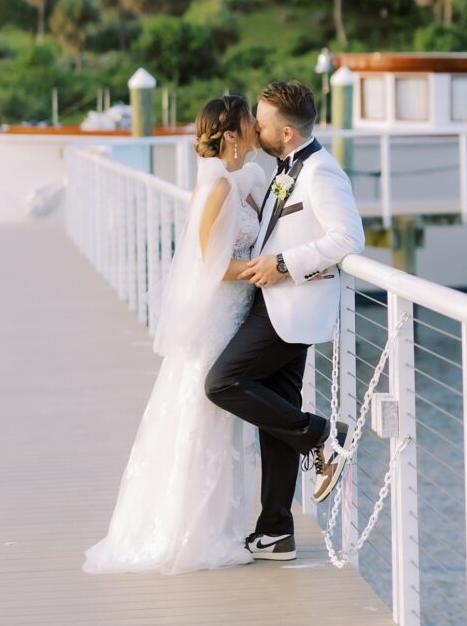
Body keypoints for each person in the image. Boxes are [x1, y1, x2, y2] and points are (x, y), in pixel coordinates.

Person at [83, 95, 265, 574]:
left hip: (235, 311)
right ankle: (192, 532)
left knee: (216, 420)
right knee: (202, 418)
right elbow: (210, 265)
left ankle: (217, 525)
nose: (256, 125)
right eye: (249, 120)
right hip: (219, 315)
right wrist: (264, 270)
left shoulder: (237, 179)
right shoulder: (218, 188)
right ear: (231, 135)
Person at [205, 80, 365, 563]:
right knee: (273, 415)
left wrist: (284, 264)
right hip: (270, 301)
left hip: (292, 304)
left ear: (289, 132)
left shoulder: (321, 173)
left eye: (263, 121)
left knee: (222, 382)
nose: (255, 126)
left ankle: (321, 434)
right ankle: (275, 531)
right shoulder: (282, 168)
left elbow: (348, 238)